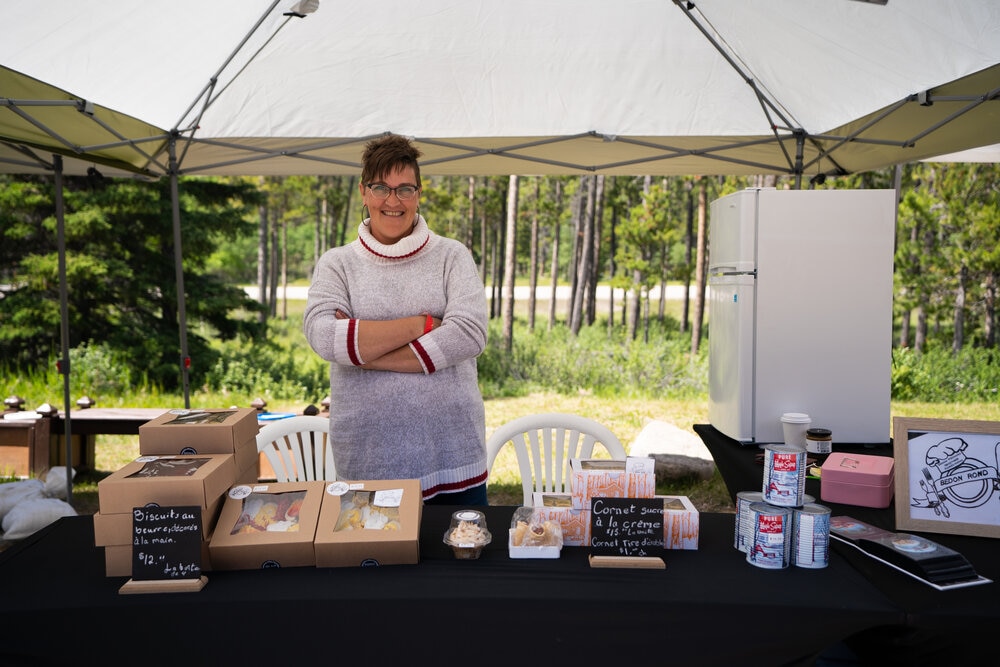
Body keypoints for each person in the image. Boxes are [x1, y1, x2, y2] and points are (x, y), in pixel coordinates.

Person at [303, 134, 489, 506]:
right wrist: (420, 325)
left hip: (452, 455)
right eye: (381, 188)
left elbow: (468, 334)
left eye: (405, 189)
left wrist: (360, 350)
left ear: (418, 193)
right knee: (377, 562)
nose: (393, 200)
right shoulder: (337, 263)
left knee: (461, 564)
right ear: (363, 192)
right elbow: (323, 335)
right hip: (367, 457)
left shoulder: (452, 256)